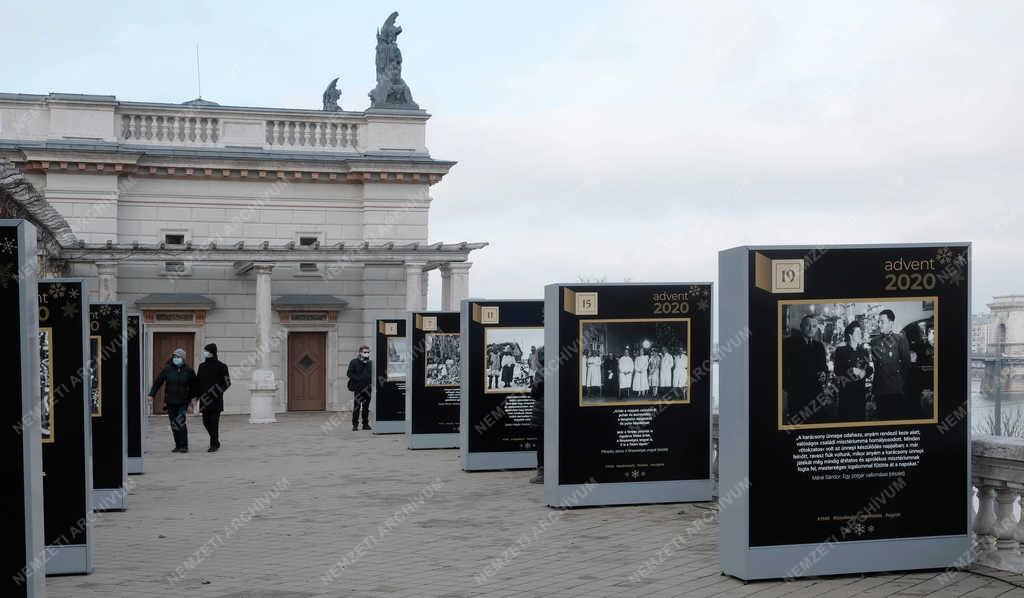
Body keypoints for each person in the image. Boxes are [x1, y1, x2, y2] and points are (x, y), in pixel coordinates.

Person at [148, 348, 198, 453]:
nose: (176, 359)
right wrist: (151, 395)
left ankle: (184, 445)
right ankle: (177, 445)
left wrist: (194, 399)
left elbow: (194, 386)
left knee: (181, 422)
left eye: (178, 357)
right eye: (175, 357)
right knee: (173, 424)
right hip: (170, 401)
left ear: (183, 359)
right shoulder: (167, 369)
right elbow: (158, 382)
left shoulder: (189, 370)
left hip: (183, 401)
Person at [782, 316, 828, 424]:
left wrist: (824, 374)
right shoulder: (789, 344)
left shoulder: (819, 346)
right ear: (801, 327)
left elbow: (824, 367)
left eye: (814, 326)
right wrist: (789, 387)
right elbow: (782, 368)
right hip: (798, 396)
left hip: (816, 395)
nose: (811, 329)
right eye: (808, 325)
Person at [871, 310, 913, 420]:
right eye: (878, 322)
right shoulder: (874, 341)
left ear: (891, 322)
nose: (879, 324)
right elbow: (876, 365)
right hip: (880, 389)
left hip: (895, 389)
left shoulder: (900, 339)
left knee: (895, 419)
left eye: (882, 321)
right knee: (881, 420)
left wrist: (899, 381)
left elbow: (906, 364)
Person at [834, 322, 872, 422]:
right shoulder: (841, 351)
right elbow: (837, 370)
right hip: (846, 396)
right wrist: (852, 370)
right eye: (858, 332)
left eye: (861, 332)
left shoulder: (864, 351)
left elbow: (870, 368)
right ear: (850, 335)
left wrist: (865, 372)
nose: (861, 335)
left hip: (860, 395)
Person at [196, 343, 231, 452]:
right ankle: (215, 440)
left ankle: (214, 444)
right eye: (204, 351)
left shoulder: (221, 366)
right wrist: (196, 396)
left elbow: (227, 382)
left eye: (207, 351)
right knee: (205, 422)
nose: (205, 353)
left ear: (212, 352)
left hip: (216, 400)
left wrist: (216, 391)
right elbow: (198, 382)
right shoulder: (201, 366)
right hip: (204, 399)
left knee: (214, 422)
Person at [346, 345, 372, 431]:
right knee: (357, 407)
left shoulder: (370, 363)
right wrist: (358, 379)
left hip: (368, 388)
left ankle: (365, 424)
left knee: (366, 407)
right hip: (358, 388)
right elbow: (349, 373)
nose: (367, 354)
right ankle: (355, 425)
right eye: (365, 352)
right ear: (360, 352)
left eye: (368, 352)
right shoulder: (354, 362)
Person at [530, 346, 545, 484]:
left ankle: (542, 473)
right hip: (552, 413)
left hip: (541, 413)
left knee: (541, 443)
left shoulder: (540, 373)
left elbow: (534, 393)